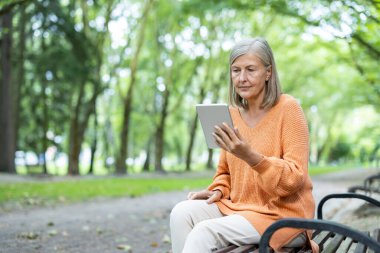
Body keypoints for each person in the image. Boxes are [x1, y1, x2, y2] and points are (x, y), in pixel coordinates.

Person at [170, 37, 317, 253]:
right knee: (181, 212)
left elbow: (293, 180)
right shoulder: (231, 115)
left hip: (283, 216)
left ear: (268, 73)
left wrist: (251, 156)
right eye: (236, 70)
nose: (242, 78)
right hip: (239, 209)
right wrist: (218, 189)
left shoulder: (289, 108)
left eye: (250, 70)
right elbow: (225, 173)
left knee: (204, 232)